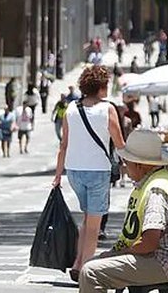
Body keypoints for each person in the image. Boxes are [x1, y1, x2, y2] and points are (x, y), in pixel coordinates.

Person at [78, 130, 168, 292]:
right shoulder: (162, 180)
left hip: (163, 262)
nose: (124, 167)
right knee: (96, 263)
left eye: (126, 163)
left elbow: (149, 242)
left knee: (91, 272)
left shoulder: (156, 191)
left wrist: (120, 254)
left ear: (140, 165)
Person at [53, 65, 126, 282]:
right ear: (102, 87)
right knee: (94, 224)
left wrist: (58, 175)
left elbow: (63, 145)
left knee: (86, 218)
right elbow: (119, 143)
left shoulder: (71, 109)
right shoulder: (108, 109)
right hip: (97, 171)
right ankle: (86, 269)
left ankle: (77, 263)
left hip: (74, 171)